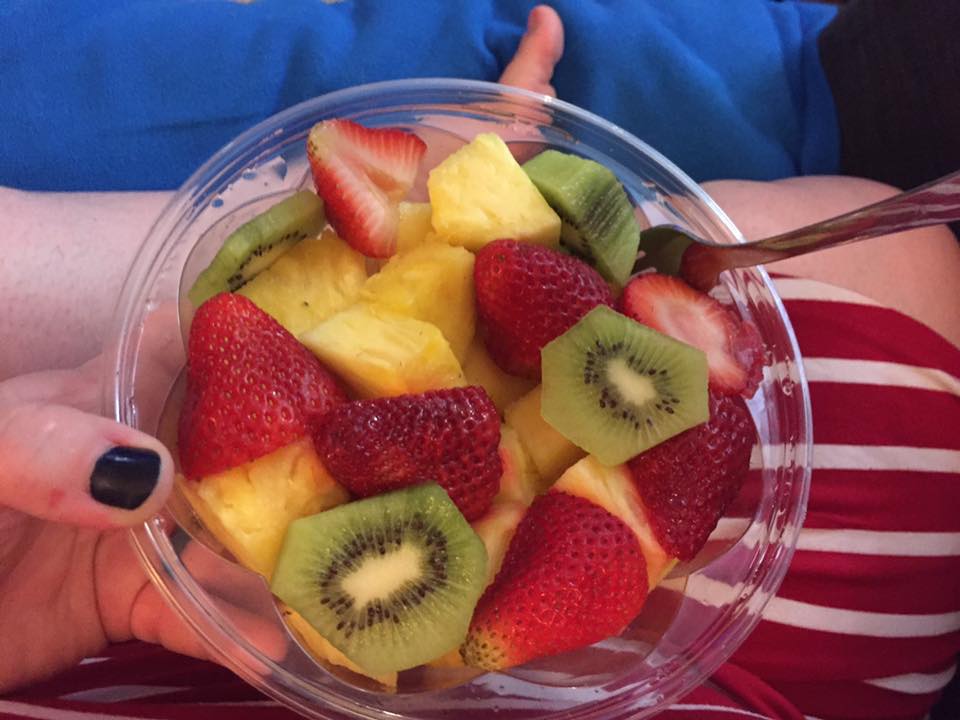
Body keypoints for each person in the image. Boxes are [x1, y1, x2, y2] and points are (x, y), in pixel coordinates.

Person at [1, 5, 959, 720]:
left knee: (177, 323)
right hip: (847, 478)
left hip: (95, 569)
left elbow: (163, 330)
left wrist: (445, 226)